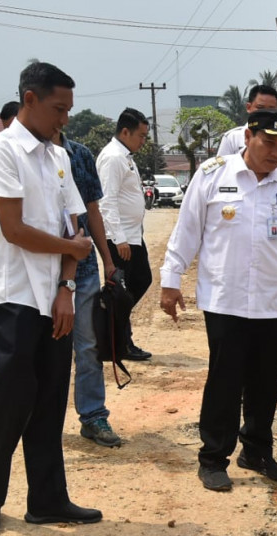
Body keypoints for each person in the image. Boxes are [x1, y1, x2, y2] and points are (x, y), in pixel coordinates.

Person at [158, 108, 277, 493]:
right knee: (225, 380)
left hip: (275, 303)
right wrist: (171, 281)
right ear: (248, 137)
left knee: (265, 383)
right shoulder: (212, 175)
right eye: (270, 142)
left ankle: (257, 452)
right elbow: (187, 232)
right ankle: (214, 458)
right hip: (225, 299)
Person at [0, 61, 101, 531]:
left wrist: (67, 286)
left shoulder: (59, 158)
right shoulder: (0, 152)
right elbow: (15, 230)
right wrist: (72, 249)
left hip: (53, 297)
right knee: (12, 395)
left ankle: (47, 499)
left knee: (49, 399)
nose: (64, 119)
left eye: (68, 109)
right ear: (30, 99)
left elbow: (75, 226)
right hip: (11, 296)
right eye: (58, 109)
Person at [53, 128, 122, 448]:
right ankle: (39, 418)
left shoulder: (79, 156)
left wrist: (107, 260)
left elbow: (91, 211)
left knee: (88, 346)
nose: (61, 119)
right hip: (40, 272)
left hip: (82, 271)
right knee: (46, 351)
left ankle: (94, 416)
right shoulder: (21, 156)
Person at [96, 108, 153, 362]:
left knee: (137, 283)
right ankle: (116, 341)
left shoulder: (125, 156)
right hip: (120, 239)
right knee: (121, 291)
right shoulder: (112, 158)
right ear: (125, 131)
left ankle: (117, 337)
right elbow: (106, 201)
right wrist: (118, 238)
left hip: (132, 236)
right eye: (140, 136)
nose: (143, 141)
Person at [216, 84, 277, 175]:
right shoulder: (233, 138)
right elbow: (221, 172)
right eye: (260, 108)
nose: (265, 114)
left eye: (271, 109)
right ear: (248, 107)